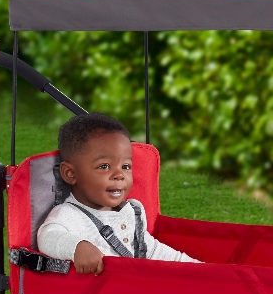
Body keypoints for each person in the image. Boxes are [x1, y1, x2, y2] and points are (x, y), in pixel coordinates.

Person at [37, 113, 199, 273]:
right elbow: (47, 236)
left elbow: (152, 251)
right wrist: (77, 247)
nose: (119, 175)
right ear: (71, 174)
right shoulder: (69, 215)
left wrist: (200, 268)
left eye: (126, 166)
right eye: (104, 166)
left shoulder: (131, 211)